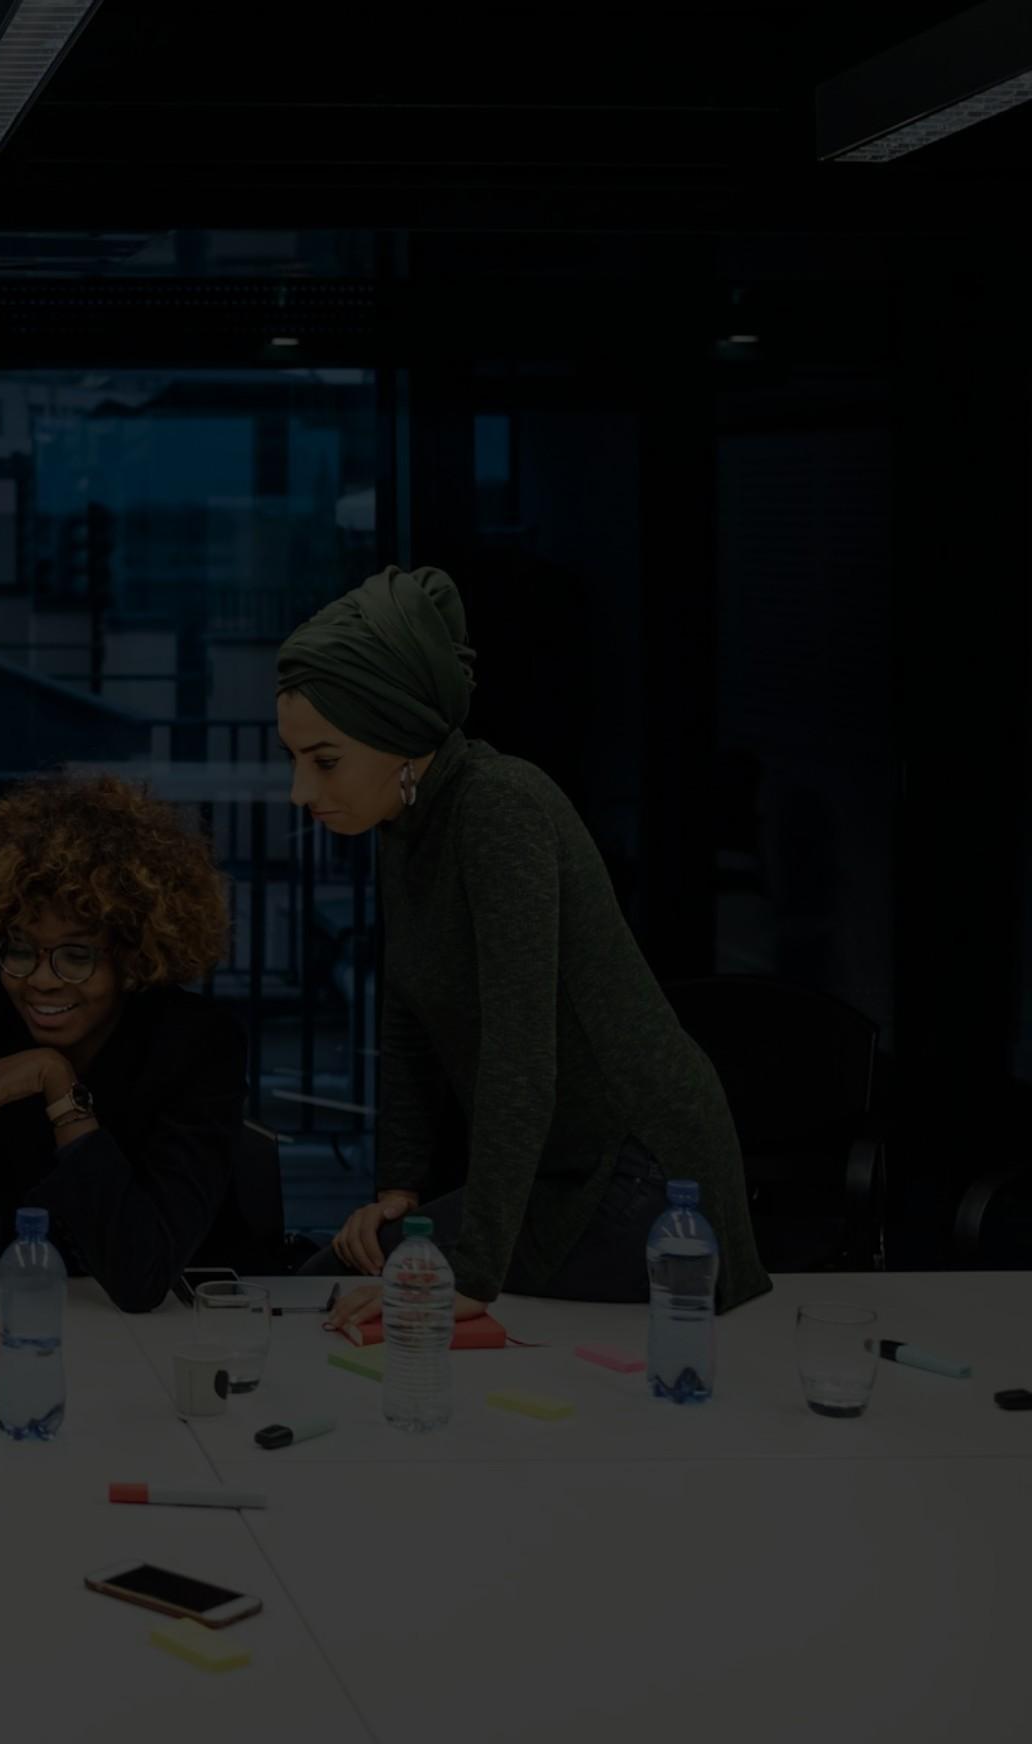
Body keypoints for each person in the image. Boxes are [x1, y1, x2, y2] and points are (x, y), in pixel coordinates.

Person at [279, 565, 769, 1329]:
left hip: (645, 1183)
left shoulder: (500, 807)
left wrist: (472, 1278)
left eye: (325, 760)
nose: (301, 792)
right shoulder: (405, 823)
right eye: (295, 759)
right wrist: (398, 1191)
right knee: (339, 1280)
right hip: (563, 1172)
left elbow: (521, 1054)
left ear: (400, 736)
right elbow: (407, 1015)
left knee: (362, 1299)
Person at [0, 774, 249, 1350]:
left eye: (76, 955)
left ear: (132, 954)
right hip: (20, 1328)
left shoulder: (196, 1043)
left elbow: (142, 1276)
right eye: (20, 950)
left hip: (181, 1347)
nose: (40, 980)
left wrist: (57, 1082)